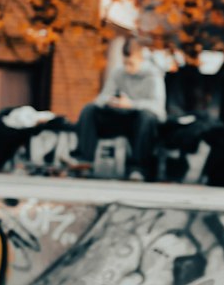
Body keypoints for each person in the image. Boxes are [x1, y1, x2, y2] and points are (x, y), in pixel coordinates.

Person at [70, 37, 166, 179]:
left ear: (141, 59)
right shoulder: (118, 72)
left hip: (141, 122)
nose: (127, 68)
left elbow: (158, 108)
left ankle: (137, 169)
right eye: (125, 63)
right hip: (119, 116)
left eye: (131, 64)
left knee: (146, 117)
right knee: (89, 110)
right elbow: (101, 98)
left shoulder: (153, 75)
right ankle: (84, 160)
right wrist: (110, 101)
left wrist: (132, 104)